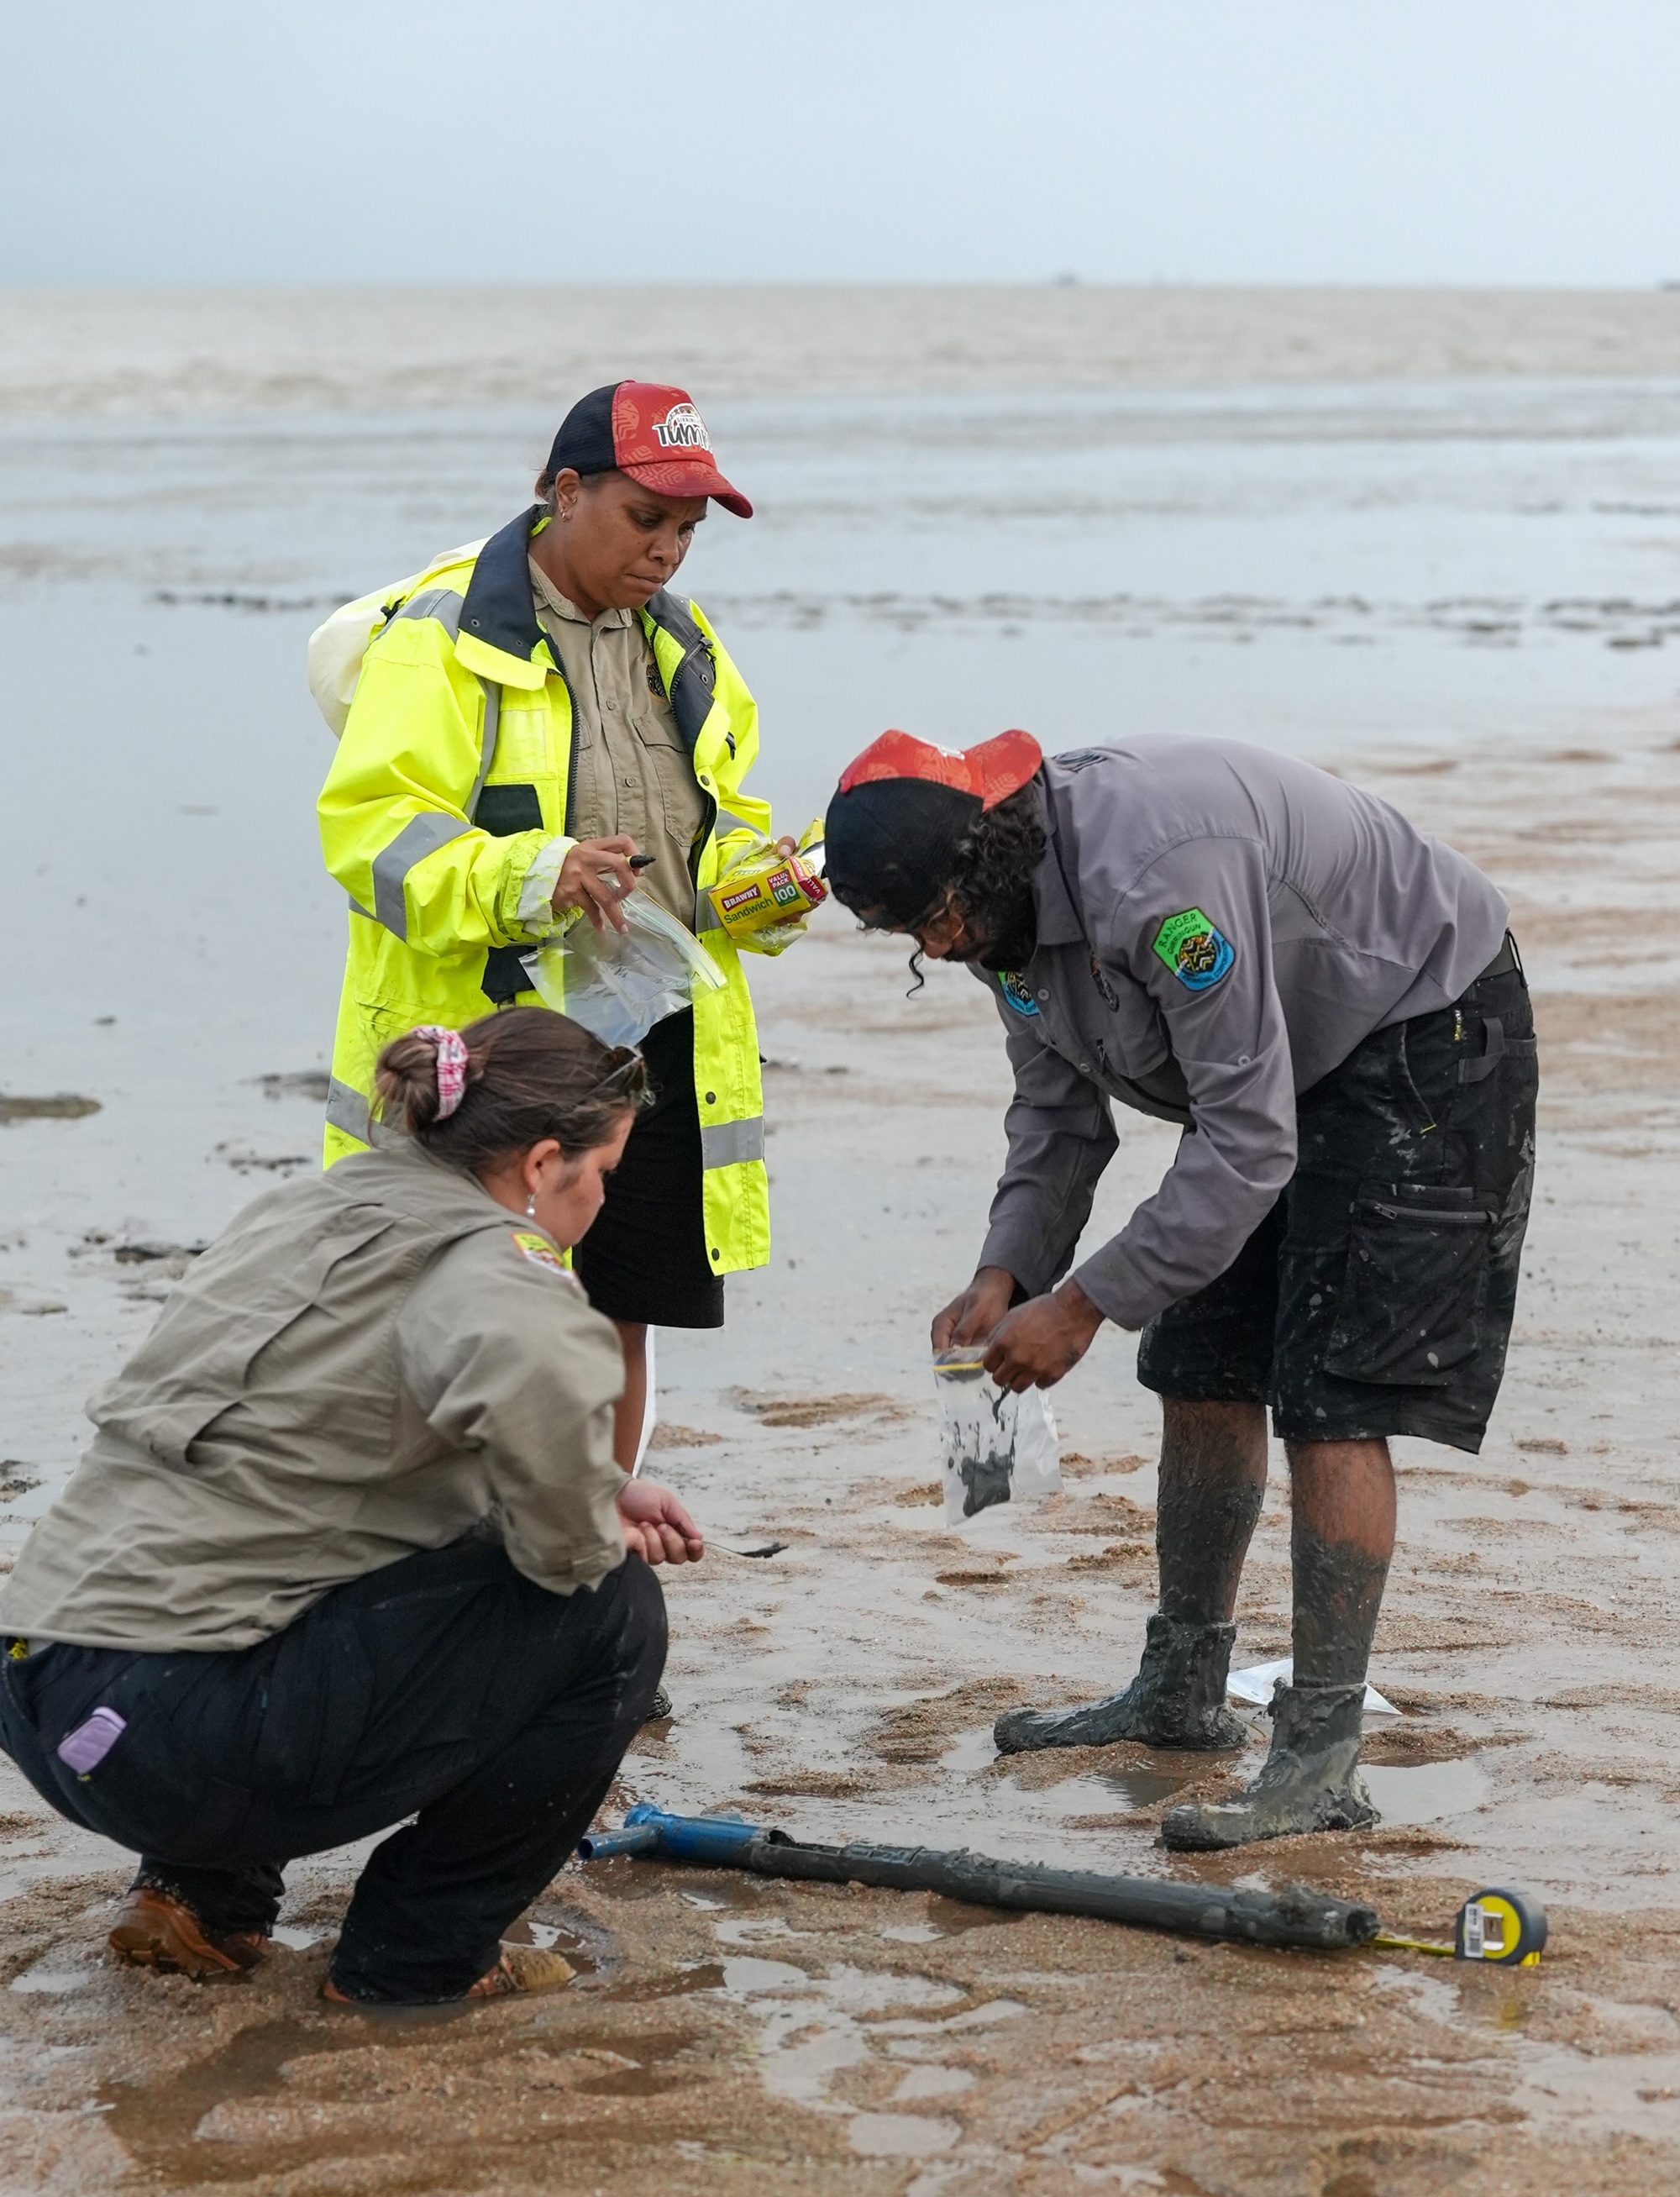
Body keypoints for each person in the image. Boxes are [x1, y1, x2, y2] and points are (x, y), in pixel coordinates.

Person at [823, 728, 1536, 1848]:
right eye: (906, 933)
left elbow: (1246, 1144)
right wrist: (1007, 1270)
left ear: (986, 858)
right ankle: (1183, 1688)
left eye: (937, 919)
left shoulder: (1158, 885)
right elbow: (1055, 1117)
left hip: (1417, 1020)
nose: (936, 945)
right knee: (1199, 1363)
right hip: (1271, 1053)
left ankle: (1319, 1758)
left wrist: (1082, 1305)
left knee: (1331, 1395)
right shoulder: (996, 919)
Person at [0, 1012, 703, 2005]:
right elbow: (561, 1550)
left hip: (44, 1687)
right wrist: (591, 1510)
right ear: (545, 1164)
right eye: (604, 1173)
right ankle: (418, 1960)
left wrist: (592, 1484)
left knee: (300, 1545)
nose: (601, 1198)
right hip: (173, 1749)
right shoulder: (503, 1268)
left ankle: (198, 1901)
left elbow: (294, 1447)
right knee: (610, 1611)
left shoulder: (301, 1206)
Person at [315, 380, 816, 1473]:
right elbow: (371, 835)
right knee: (474, 1315)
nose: (667, 550)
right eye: (646, 518)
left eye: (686, 529)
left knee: (615, 1313)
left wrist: (760, 887)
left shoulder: (683, 644)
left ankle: (594, 1535)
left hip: (651, 1042)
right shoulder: (445, 634)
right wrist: (535, 875)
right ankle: (469, 1543)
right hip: (498, 1048)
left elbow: (718, 826)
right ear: (565, 490)